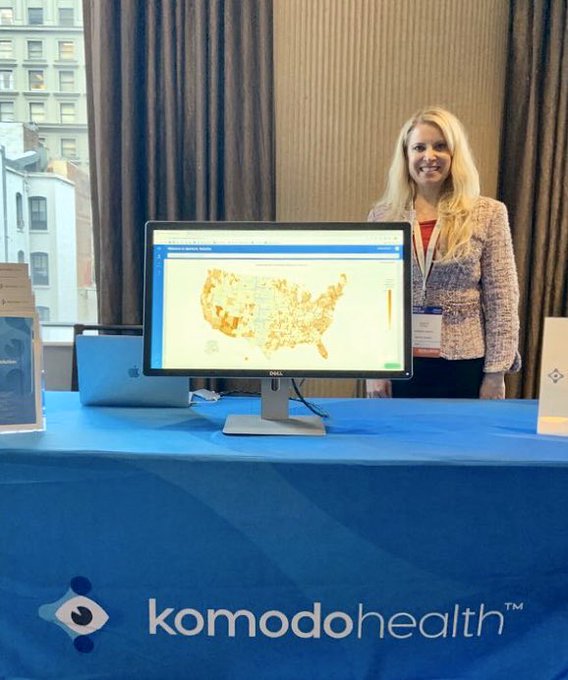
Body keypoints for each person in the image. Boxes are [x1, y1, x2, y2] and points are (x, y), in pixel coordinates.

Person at [366, 106, 520, 399]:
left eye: (440, 146)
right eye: (419, 147)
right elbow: (374, 301)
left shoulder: (488, 213)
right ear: (406, 156)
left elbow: (502, 300)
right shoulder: (383, 216)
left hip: (465, 364)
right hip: (399, 364)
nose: (429, 156)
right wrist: (375, 370)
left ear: (454, 154)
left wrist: (496, 373)